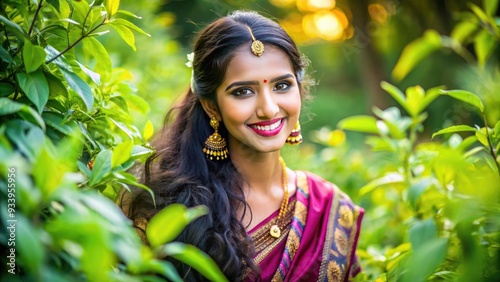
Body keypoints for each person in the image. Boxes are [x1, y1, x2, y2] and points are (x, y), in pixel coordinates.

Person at [123, 10, 364, 281]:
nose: (268, 109)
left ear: (299, 88)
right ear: (211, 106)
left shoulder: (330, 208)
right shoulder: (165, 207)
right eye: (243, 92)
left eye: (282, 85)